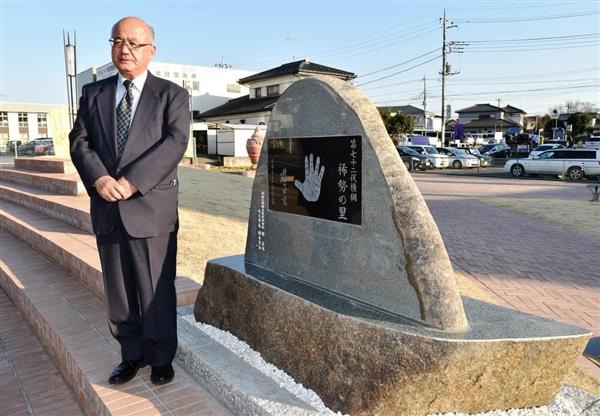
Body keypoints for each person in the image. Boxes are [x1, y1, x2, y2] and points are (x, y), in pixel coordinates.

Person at [69, 16, 190, 386]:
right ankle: (131, 355)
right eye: (118, 41)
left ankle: (160, 357)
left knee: (156, 287)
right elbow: (80, 141)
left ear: (151, 51)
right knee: (119, 290)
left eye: (135, 43)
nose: (126, 49)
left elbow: (175, 142)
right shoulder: (94, 93)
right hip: (107, 206)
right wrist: (100, 179)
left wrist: (132, 182)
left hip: (150, 208)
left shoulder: (171, 94)